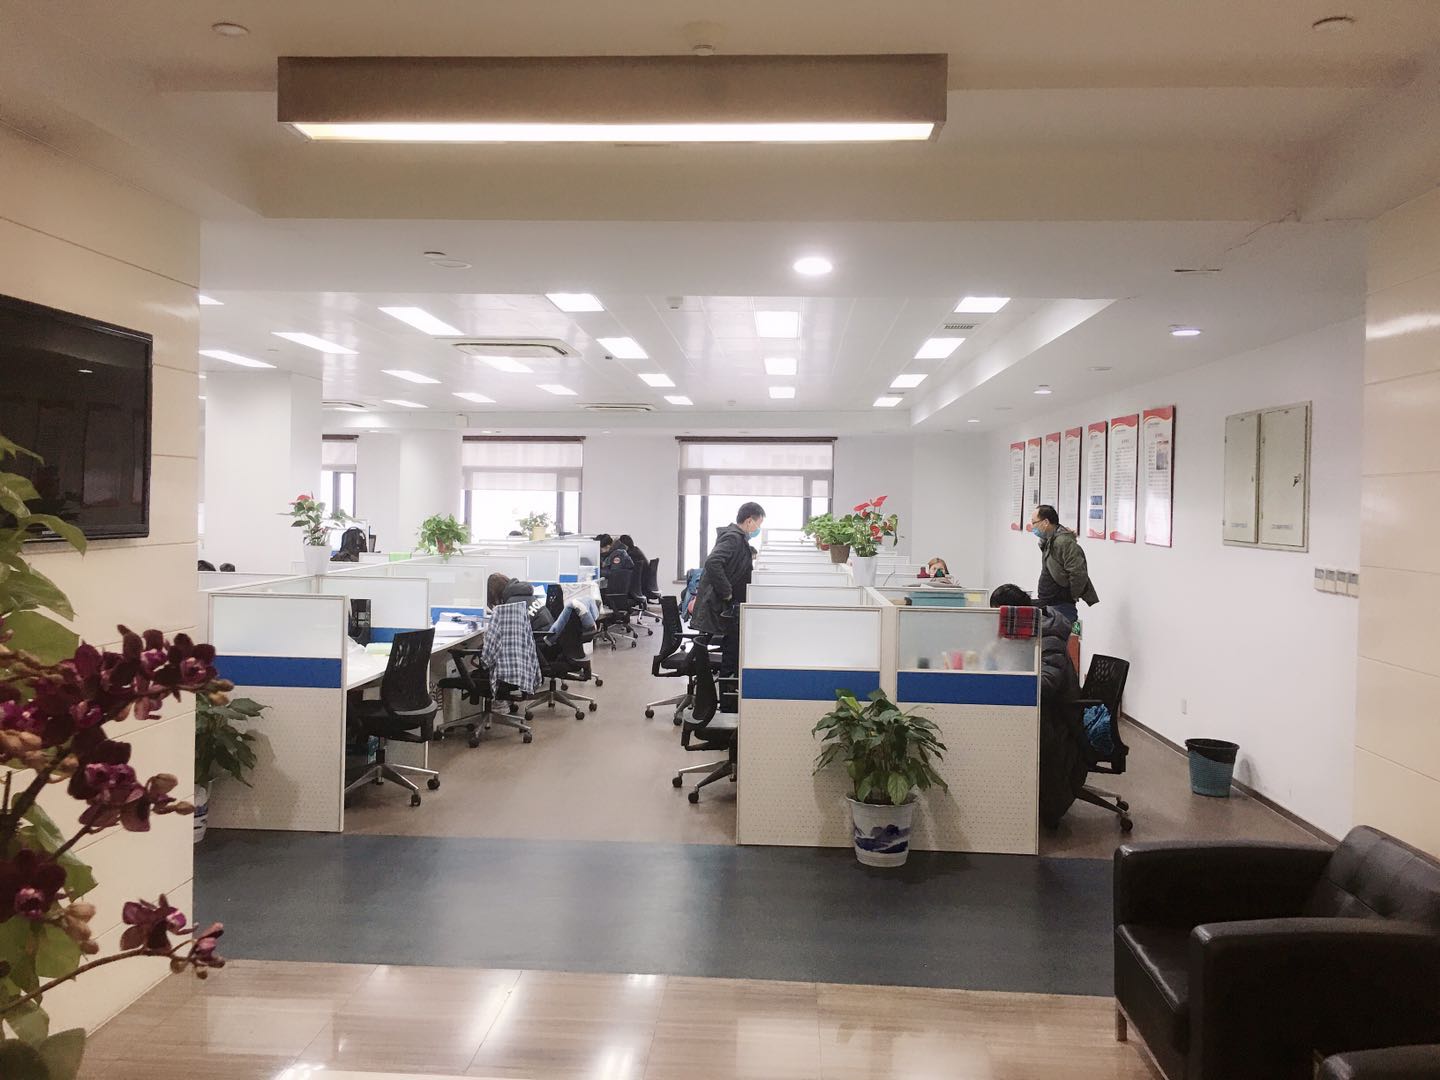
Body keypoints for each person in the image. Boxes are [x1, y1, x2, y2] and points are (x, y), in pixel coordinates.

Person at [690, 501, 765, 636]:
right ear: (749, 521)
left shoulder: (738, 538)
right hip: (715, 602)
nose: (758, 529)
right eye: (758, 524)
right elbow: (712, 562)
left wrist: (749, 553)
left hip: (720, 602)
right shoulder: (733, 538)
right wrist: (727, 592)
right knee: (725, 640)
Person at [1029, 504, 1098, 628]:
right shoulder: (1049, 540)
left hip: (1061, 606)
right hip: (1049, 603)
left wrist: (1070, 595)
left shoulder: (1063, 542)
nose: (1032, 527)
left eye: (1034, 523)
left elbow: (1078, 573)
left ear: (1046, 522)